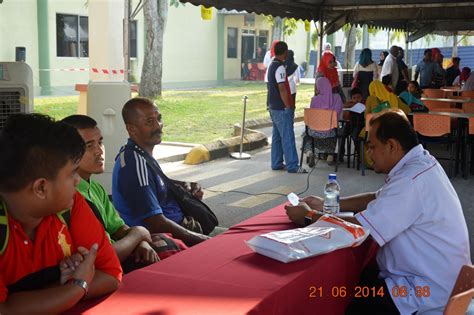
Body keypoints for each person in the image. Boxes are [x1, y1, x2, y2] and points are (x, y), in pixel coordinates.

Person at [285, 110, 471, 314]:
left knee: (336, 296)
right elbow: (378, 197)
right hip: (433, 279)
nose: (369, 153)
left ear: (392, 145)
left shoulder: (411, 182)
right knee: (357, 278)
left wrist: (308, 216)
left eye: (372, 147)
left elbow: (356, 231)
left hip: (423, 292)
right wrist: (328, 204)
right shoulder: (420, 164)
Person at [0, 114, 122, 313]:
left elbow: (110, 275)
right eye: (73, 172)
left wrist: (57, 289)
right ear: (41, 188)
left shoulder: (70, 206)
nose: (77, 181)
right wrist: (77, 285)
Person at [62, 115, 187, 273]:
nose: (99, 151)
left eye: (100, 142)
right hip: (103, 268)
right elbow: (102, 257)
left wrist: (141, 241)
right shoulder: (68, 198)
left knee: (166, 244)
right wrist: (138, 234)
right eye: (89, 145)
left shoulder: (96, 188)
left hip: (120, 252)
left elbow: (118, 227)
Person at [112, 97, 214, 247]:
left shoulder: (139, 154)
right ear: (131, 129)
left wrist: (180, 186)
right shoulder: (135, 164)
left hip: (181, 229)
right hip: (167, 240)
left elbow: (152, 185)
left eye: (159, 119)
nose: (158, 126)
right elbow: (156, 223)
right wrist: (203, 240)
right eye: (149, 122)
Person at [267, 41, 307, 174]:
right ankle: (293, 165)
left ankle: (276, 162)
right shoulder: (280, 68)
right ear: (285, 52)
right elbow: (282, 88)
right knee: (288, 136)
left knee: (277, 136)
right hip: (281, 107)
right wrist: (288, 105)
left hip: (273, 106)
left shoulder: (271, 65)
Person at [303, 77, 344, 166]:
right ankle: (330, 155)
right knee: (334, 129)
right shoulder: (337, 98)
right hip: (330, 133)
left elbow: (312, 118)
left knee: (305, 134)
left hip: (314, 132)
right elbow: (338, 117)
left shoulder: (314, 99)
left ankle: (310, 152)